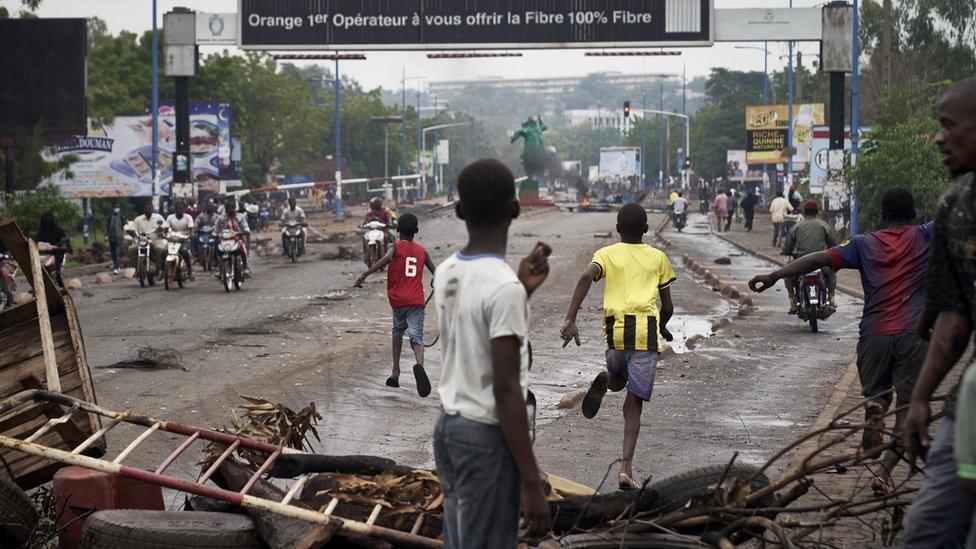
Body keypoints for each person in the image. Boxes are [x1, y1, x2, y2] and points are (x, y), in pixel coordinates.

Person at [750, 188, 932, 487]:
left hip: (874, 336)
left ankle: (875, 407)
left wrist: (775, 276)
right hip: (914, 335)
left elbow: (815, 259)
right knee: (908, 411)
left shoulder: (864, 244)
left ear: (883, 216)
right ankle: (884, 474)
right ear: (914, 214)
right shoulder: (927, 236)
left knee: (879, 397)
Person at [433, 159, 551, 546]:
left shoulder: (447, 270)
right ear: (515, 210)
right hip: (484, 438)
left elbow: (473, 334)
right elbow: (504, 390)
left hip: (449, 428)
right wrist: (531, 481)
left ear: (460, 211)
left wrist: (522, 288)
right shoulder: (503, 288)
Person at [901, 77, 976, 548]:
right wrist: (921, 398)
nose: (938, 138)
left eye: (950, 126)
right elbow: (952, 318)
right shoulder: (958, 205)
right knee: (927, 529)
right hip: (969, 399)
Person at [561, 203, 676, 490]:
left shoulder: (606, 254)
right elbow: (669, 306)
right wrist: (662, 326)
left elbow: (586, 276)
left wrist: (570, 318)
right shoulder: (658, 257)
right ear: (647, 229)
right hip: (646, 333)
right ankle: (625, 468)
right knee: (633, 402)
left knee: (618, 377)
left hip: (616, 332)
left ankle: (608, 379)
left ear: (617, 228)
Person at [355, 213, 436, 395]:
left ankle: (395, 372)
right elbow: (435, 271)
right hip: (416, 301)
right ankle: (419, 365)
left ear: (398, 230)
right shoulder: (422, 251)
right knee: (416, 337)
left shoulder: (394, 246)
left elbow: (386, 259)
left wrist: (365, 274)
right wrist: (435, 280)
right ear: (416, 231)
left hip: (398, 301)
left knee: (398, 331)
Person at [781, 200, 838, 312]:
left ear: (804, 211)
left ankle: (792, 299)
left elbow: (788, 246)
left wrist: (786, 251)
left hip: (801, 263)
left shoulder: (797, 226)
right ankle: (831, 297)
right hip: (821, 262)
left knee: (787, 273)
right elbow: (833, 244)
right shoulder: (823, 225)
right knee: (831, 270)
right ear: (817, 212)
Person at [215, 197, 251, 277]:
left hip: (237, 239)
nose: (230, 209)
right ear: (226, 208)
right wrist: (215, 234)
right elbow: (216, 230)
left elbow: (246, 228)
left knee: (242, 248)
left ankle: (245, 267)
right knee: (217, 249)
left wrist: (243, 232)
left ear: (235, 207)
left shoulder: (240, 217)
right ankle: (219, 268)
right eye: (228, 207)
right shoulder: (221, 218)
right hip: (224, 240)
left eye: (232, 207)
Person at [35, 212, 71, 287]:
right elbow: (36, 245)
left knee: (56, 272)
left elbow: (64, 243)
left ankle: (60, 285)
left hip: (56, 254)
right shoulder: (40, 233)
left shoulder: (58, 231)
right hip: (42, 255)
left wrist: (58, 247)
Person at [165, 200, 195, 281]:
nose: (179, 211)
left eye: (181, 209)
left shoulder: (188, 217)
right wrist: (164, 234)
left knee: (184, 251)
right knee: (164, 251)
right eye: (177, 209)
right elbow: (166, 229)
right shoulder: (170, 218)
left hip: (184, 239)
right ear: (175, 209)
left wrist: (191, 235)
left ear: (184, 209)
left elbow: (191, 229)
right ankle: (162, 271)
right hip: (173, 239)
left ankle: (189, 271)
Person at [106, 203, 125, 274]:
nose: (116, 209)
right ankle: (117, 265)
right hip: (111, 237)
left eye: (118, 207)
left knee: (117, 252)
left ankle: (116, 268)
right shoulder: (110, 217)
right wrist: (106, 235)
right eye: (115, 207)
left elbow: (123, 225)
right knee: (113, 253)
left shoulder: (121, 216)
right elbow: (108, 226)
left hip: (119, 237)